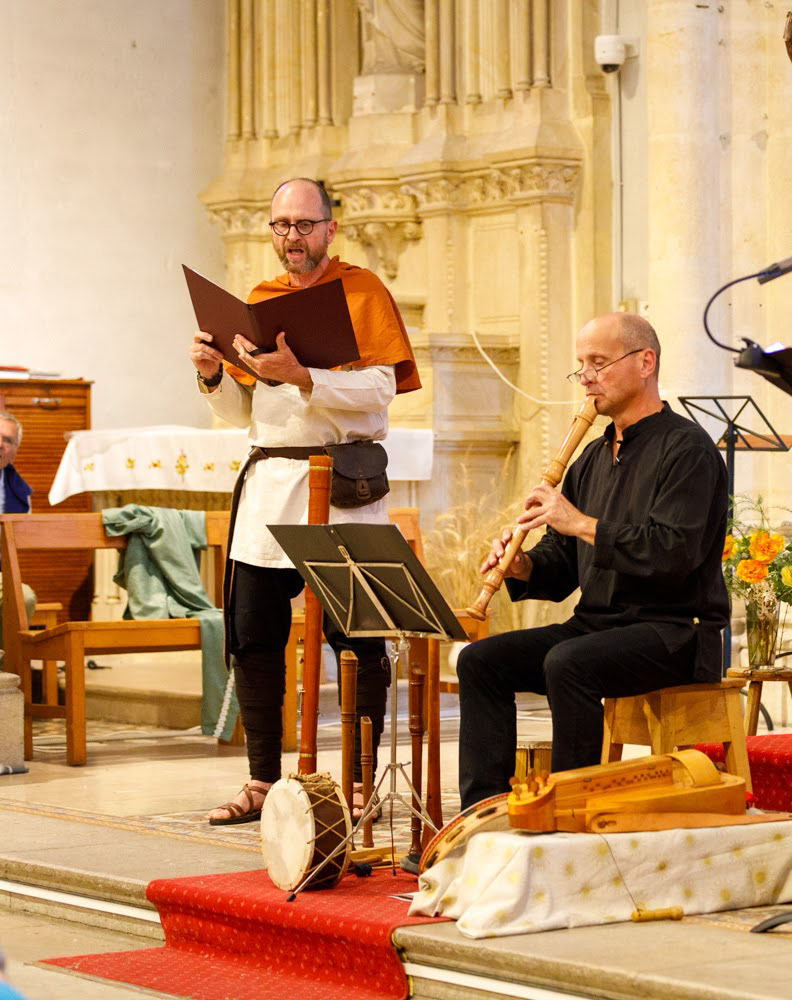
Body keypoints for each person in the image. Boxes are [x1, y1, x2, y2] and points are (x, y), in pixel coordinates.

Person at [189, 177, 420, 825]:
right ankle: (263, 780)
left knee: (359, 641)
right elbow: (246, 412)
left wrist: (304, 375)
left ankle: (358, 783)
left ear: (329, 228)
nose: (292, 237)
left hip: (341, 486)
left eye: (303, 224)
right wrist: (213, 375)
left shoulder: (362, 291)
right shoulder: (261, 300)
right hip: (269, 489)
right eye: (281, 225)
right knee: (254, 638)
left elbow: (378, 392)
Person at [456, 311, 730, 809]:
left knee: (568, 663)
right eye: (581, 364)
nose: (586, 376)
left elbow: (673, 553)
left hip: (676, 631)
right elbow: (563, 566)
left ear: (645, 362)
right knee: (480, 661)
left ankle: (570, 810)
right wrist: (521, 566)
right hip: (597, 626)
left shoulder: (688, 449)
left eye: (598, 362)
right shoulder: (591, 458)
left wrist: (582, 523)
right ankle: (485, 812)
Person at [0, 410, 37, 667]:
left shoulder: (20, 493)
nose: (0, 444)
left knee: (24, 597)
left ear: (14, 451)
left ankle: (8, 670)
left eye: (8, 440)